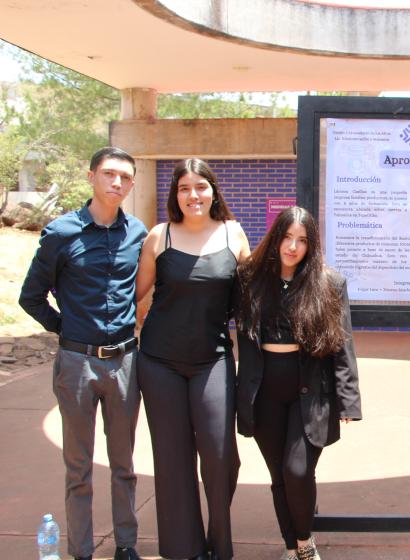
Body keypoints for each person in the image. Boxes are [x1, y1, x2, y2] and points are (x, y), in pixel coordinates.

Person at [19, 147, 147, 560]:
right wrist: (66, 329)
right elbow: (31, 297)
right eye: (109, 174)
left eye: (126, 177)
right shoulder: (61, 233)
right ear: (91, 176)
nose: (117, 183)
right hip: (76, 364)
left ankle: (126, 545)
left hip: (126, 362)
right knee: (79, 469)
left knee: (125, 466)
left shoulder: (138, 234)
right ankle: (81, 551)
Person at [135, 159, 250, 560]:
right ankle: (185, 551)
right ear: (175, 195)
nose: (193, 195)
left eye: (200, 186)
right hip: (159, 361)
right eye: (184, 188)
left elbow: (250, 301)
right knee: (172, 457)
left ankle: (219, 546)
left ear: (213, 191)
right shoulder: (159, 236)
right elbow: (135, 300)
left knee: (221, 458)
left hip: (212, 361)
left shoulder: (233, 234)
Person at [236, 206, 361, 560]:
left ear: (312, 245)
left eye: (302, 240)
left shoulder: (328, 283)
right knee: (278, 474)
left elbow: (343, 343)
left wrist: (348, 399)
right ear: (275, 237)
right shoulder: (249, 278)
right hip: (263, 391)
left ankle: (306, 542)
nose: (293, 246)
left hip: (310, 391)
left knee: (298, 470)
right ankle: (290, 547)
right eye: (287, 237)